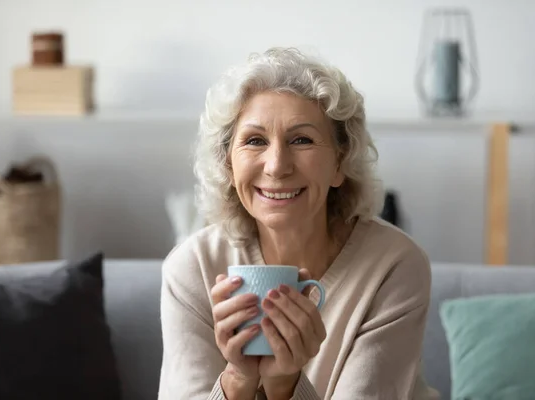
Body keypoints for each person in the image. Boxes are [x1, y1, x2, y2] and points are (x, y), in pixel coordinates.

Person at [158, 47, 440, 400]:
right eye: (255, 140)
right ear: (228, 165)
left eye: (302, 140)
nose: (277, 165)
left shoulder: (394, 265)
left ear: (340, 163)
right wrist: (237, 380)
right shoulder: (192, 267)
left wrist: (284, 385)